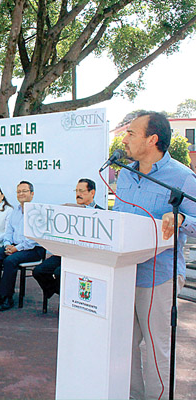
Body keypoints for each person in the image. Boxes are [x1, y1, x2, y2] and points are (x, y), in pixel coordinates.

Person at [113, 111, 196, 400]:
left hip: (159, 275)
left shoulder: (183, 178)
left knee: (157, 346)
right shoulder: (125, 173)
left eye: (131, 133)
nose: (124, 138)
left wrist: (182, 219)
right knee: (125, 343)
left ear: (152, 139)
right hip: (122, 272)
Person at [32, 178, 103, 299]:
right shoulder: (69, 211)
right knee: (39, 271)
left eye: (82, 191)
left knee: (59, 272)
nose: (78, 194)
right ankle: (59, 293)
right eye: (76, 191)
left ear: (92, 193)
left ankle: (69, 300)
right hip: (64, 253)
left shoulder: (101, 213)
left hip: (85, 256)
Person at [0, 181, 46, 311]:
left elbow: (32, 240)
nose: (21, 194)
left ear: (32, 193)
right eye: (19, 191)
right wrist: (7, 245)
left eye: (24, 191)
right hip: (14, 245)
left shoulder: (38, 213)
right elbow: (8, 232)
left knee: (10, 261)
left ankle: (7, 297)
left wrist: (16, 249)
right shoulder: (15, 211)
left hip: (33, 249)